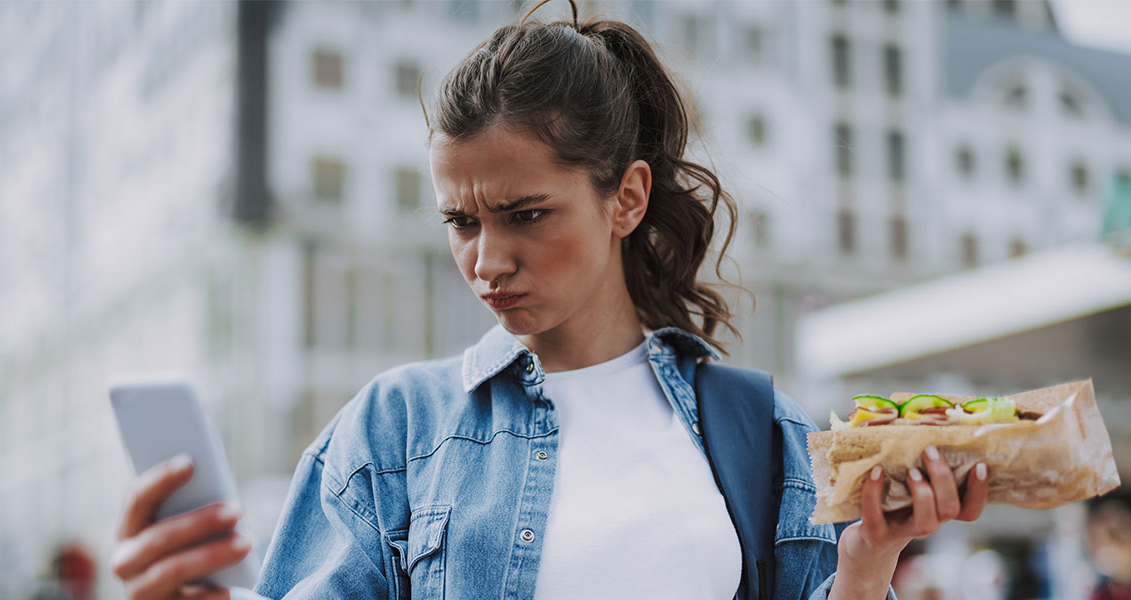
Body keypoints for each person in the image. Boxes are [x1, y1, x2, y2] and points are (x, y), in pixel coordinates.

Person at [109, 2, 990, 598]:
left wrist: (869, 562)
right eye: (461, 221)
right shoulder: (393, 434)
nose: (487, 261)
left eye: (527, 214)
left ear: (627, 198)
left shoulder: (764, 434)